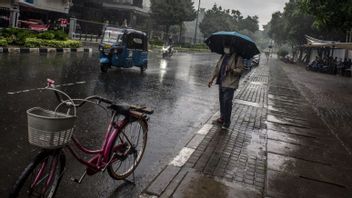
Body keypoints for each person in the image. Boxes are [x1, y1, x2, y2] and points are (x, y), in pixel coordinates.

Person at [208, 43, 244, 130]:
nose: (225, 48)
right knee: (222, 102)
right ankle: (222, 118)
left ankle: (227, 122)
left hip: (230, 83)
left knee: (227, 103)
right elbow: (217, 69)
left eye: (227, 47)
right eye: (225, 47)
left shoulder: (237, 57)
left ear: (232, 47)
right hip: (221, 82)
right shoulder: (223, 56)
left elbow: (240, 70)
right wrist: (211, 79)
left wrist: (231, 70)